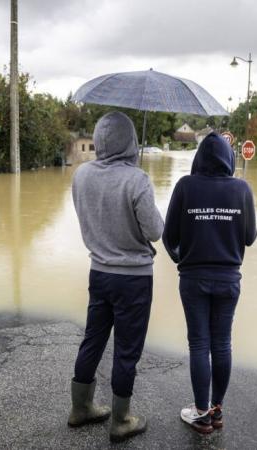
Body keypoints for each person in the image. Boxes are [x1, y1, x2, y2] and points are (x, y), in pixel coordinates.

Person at [67, 111, 164, 443]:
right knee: (126, 350)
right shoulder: (137, 180)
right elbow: (155, 231)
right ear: (131, 141)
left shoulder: (80, 175)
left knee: (93, 338)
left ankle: (81, 408)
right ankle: (121, 420)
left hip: (99, 272)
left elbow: (91, 216)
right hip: (134, 279)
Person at [162, 132, 257, 434]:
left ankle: (201, 412)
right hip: (229, 279)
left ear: (198, 157)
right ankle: (216, 410)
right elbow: (250, 237)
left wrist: (182, 259)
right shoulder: (242, 189)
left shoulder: (185, 186)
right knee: (222, 343)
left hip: (192, 279)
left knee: (199, 345)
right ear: (230, 159)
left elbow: (168, 237)